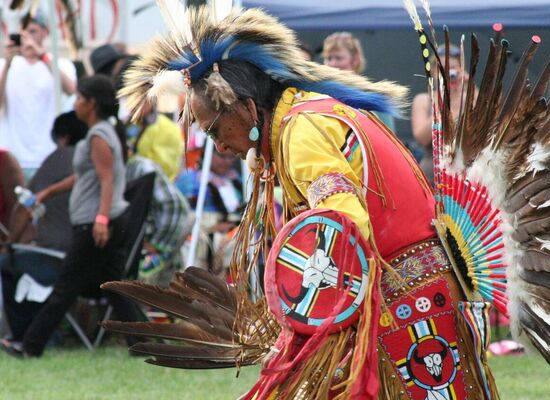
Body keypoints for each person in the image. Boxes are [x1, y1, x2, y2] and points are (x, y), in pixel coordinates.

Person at [115, 7, 497, 399]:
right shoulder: (305, 117)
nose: (221, 146)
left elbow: (343, 222)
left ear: (246, 107)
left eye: (215, 131)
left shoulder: (302, 132)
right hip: (409, 294)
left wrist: (304, 327)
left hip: (407, 301)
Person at [0, 75, 142, 357]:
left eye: (78, 97)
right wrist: (49, 192)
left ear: (91, 103)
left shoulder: (99, 135)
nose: (74, 102)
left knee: (65, 286)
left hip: (95, 222)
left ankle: (30, 345)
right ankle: (147, 344)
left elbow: (107, 179)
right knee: (115, 288)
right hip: (103, 219)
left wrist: (101, 219)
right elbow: (86, 175)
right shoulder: (100, 132)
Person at [1, 111, 87, 342]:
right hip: (90, 257)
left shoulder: (58, 158)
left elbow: (24, 208)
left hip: (58, 256)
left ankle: (28, 334)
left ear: (63, 136)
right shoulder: (94, 160)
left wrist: (10, 245)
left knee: (6, 263)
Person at [0, 11, 77, 180]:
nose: (27, 37)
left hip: (47, 154)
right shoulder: (5, 65)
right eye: (23, 32)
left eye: (33, 31)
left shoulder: (59, 64)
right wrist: (7, 64)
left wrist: (42, 56)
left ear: (45, 32)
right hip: (13, 156)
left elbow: (72, 89)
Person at [411, 44, 476, 185]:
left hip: (467, 174)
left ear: (461, 70)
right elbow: (422, 138)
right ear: (434, 72)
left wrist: (470, 86)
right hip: (433, 174)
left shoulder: (471, 98)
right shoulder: (424, 100)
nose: (448, 73)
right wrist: (442, 103)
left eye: (452, 68)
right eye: (442, 69)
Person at [126, 155, 192, 285]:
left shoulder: (142, 168)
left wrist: (156, 244)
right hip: (150, 239)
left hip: (160, 239)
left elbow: (172, 205)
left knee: (152, 292)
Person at [323, 31, 396, 133]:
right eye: (328, 58)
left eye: (338, 58)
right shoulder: (320, 94)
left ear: (355, 60)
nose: (332, 63)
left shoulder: (373, 96)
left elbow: (388, 137)